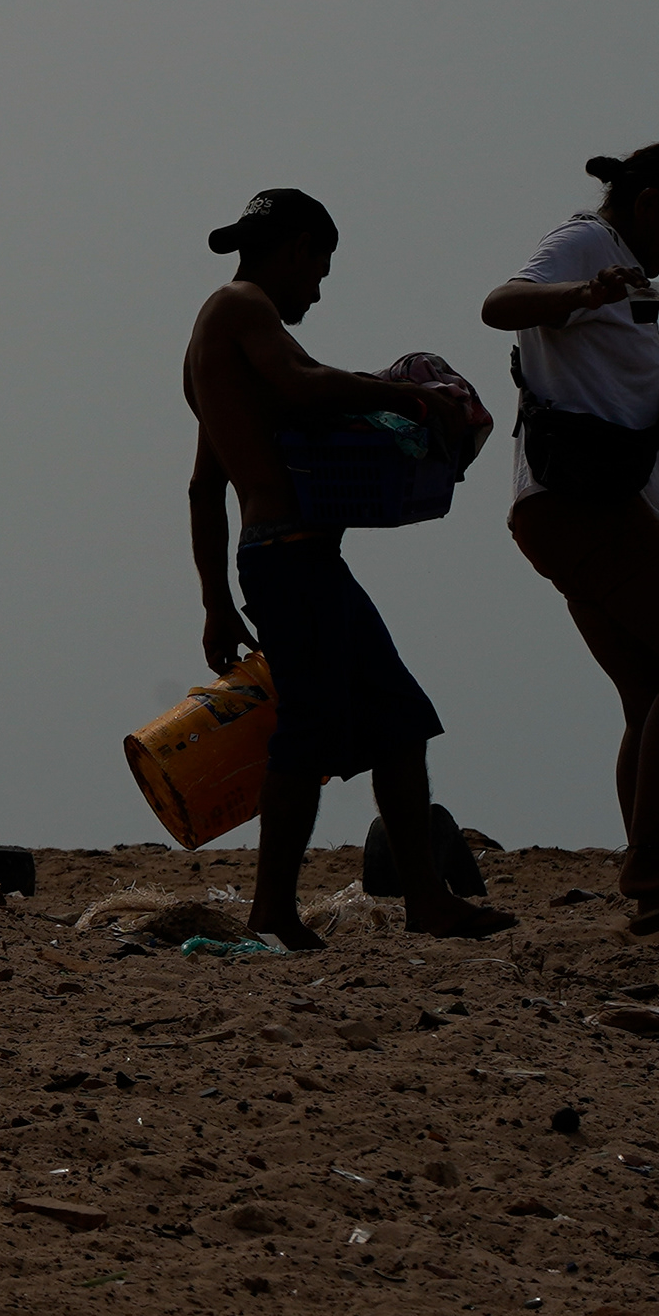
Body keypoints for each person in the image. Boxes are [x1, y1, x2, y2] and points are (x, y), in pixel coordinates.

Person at [184, 189, 517, 948]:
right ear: (299, 248)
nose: (317, 291)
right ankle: (274, 910)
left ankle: (425, 900)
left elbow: (205, 487)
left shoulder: (215, 341)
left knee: (398, 720)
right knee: (310, 733)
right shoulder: (241, 306)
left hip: (287, 557)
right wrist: (410, 397)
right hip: (290, 557)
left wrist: (216, 602)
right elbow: (303, 383)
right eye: (319, 271)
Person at [482, 141, 659, 932]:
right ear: (649, 204)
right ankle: (652, 858)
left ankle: (653, 881)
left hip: (580, 513)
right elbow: (499, 303)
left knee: (648, 689)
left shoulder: (621, 267)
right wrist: (581, 290)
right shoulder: (586, 243)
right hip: (580, 507)